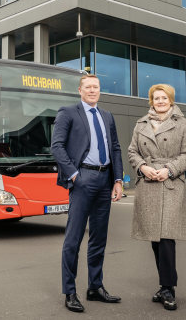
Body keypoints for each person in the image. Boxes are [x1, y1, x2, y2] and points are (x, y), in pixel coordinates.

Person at [51, 74, 124, 313]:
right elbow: (57, 146)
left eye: (96, 87)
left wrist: (118, 179)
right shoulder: (68, 112)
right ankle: (69, 291)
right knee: (73, 239)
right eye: (88, 87)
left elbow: (115, 147)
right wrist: (74, 175)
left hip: (105, 179)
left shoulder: (107, 116)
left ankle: (95, 287)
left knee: (99, 238)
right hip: (82, 178)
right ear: (80, 90)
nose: (93, 90)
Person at [127, 84, 186, 311]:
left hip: (170, 184)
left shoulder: (182, 124)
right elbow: (132, 151)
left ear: (171, 100)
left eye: (164, 98)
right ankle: (163, 285)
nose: (160, 101)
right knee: (155, 238)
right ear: (151, 101)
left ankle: (169, 288)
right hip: (148, 183)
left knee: (166, 237)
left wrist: (169, 170)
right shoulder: (141, 123)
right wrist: (143, 167)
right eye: (156, 98)